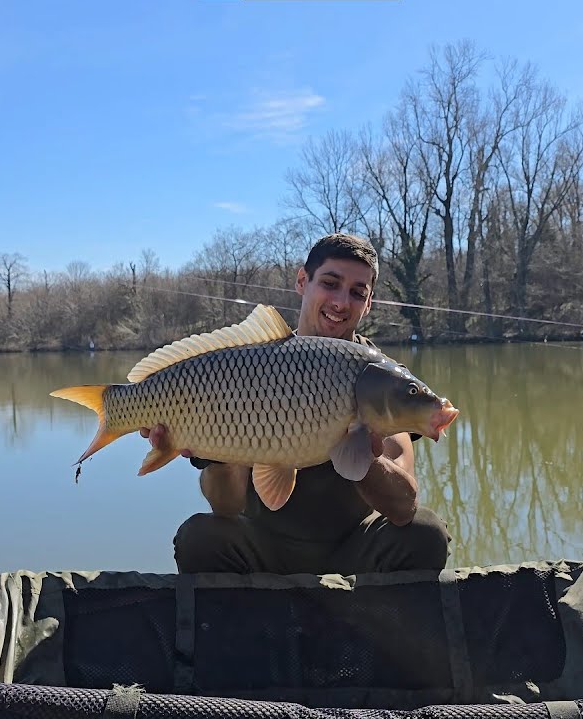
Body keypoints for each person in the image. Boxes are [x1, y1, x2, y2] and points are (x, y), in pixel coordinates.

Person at [140, 232, 452, 576]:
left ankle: (365, 608)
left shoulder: (382, 379)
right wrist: (215, 455)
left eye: (357, 292)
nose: (341, 302)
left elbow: (404, 507)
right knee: (200, 537)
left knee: (425, 533)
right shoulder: (250, 367)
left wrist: (365, 454)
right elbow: (225, 506)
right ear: (303, 280)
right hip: (265, 549)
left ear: (369, 303)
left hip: (353, 550)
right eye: (330, 283)